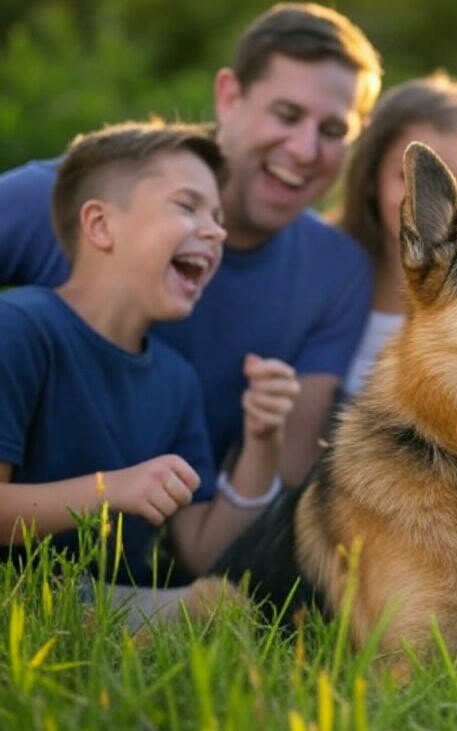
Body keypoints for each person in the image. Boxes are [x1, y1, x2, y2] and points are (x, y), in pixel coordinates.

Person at [0, 3, 383, 489]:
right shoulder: (79, 197)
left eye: (333, 131)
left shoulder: (338, 271)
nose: (304, 150)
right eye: (286, 115)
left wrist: (264, 434)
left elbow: (288, 470)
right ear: (229, 96)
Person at [0, 121, 298, 594]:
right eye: (187, 206)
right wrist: (110, 490)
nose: (216, 232)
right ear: (101, 226)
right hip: (24, 596)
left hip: (115, 601)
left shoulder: (177, 381)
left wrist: (263, 439)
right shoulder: (19, 328)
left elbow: (202, 551)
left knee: (221, 599)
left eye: (218, 217)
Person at [333, 72, 457, 397]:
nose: (425, 200)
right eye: (407, 177)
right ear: (371, 177)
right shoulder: (324, 272)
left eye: (450, 180)